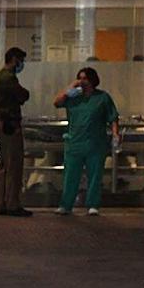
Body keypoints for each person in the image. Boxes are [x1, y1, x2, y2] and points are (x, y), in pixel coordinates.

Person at [53, 67, 119, 216]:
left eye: (85, 79)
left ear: (92, 80)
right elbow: (57, 102)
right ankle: (66, 204)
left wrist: (116, 134)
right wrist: (71, 86)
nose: (82, 82)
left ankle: (93, 204)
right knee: (71, 175)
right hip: (75, 142)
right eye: (80, 78)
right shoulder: (73, 97)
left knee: (95, 175)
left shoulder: (102, 98)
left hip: (95, 143)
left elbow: (112, 117)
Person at [0, 47, 32, 217]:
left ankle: (0, 203)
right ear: (14, 59)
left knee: (0, 166)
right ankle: (12, 204)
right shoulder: (8, 78)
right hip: (9, 126)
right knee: (13, 165)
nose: (21, 64)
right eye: (20, 60)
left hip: (0, 125)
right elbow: (23, 95)